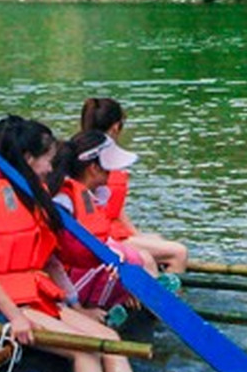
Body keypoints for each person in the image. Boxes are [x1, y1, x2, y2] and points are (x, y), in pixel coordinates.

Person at [0, 114, 158, 372]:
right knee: (83, 349)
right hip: (0, 302)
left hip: (36, 296)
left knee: (110, 338)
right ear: (28, 159)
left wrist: (78, 308)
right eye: (47, 160)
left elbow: (51, 259)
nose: (51, 168)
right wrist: (15, 317)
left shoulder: (32, 193)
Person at [49, 130, 159, 309]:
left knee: (132, 258)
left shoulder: (91, 197)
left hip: (79, 272)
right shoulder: (64, 201)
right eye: (108, 168)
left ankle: (137, 299)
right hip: (66, 280)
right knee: (130, 259)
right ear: (94, 168)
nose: (112, 172)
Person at [75, 98, 186, 272]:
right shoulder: (93, 162)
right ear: (116, 127)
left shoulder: (90, 157)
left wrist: (136, 234)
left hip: (111, 231)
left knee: (157, 239)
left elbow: (115, 207)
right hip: (104, 236)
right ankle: (166, 288)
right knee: (178, 253)